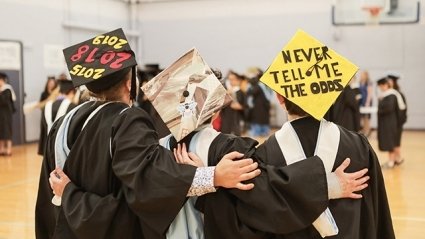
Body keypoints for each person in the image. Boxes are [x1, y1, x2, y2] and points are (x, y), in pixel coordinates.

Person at [35, 28, 260, 239]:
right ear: (129, 83)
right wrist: (213, 176)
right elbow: (151, 178)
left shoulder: (63, 122)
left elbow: (48, 194)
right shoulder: (127, 119)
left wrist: (68, 196)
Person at [37, 79, 77, 155]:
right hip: (64, 152)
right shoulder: (73, 107)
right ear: (72, 92)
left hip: (48, 150)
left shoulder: (47, 106)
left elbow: (43, 130)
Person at [245, 68, 272, 137]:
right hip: (264, 113)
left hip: (257, 115)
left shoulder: (258, 86)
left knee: (256, 137)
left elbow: (250, 93)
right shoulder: (266, 85)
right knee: (265, 138)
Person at [387, 73, 407, 165]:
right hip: (392, 123)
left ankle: (397, 158)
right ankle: (396, 159)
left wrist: (399, 122)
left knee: (396, 141)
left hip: (397, 122)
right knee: (393, 141)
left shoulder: (398, 94)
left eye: (390, 81)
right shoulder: (388, 94)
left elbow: (403, 109)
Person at [220, 71, 245, 136]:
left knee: (236, 137)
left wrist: (240, 107)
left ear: (237, 80)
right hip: (225, 119)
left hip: (236, 119)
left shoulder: (240, 92)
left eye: (233, 79)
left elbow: (246, 106)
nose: (231, 81)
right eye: (229, 79)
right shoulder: (225, 91)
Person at [0, 72, 16, 156]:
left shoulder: (7, 89)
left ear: (2, 80)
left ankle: (9, 149)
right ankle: (2, 149)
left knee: (7, 131)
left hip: (6, 115)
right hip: (1, 115)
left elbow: (4, 101)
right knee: (1, 132)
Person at [359, 70, 373, 136]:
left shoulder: (368, 82)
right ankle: (364, 130)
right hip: (361, 101)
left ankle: (368, 131)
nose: (361, 76)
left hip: (367, 101)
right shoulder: (360, 82)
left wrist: (367, 102)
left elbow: (369, 93)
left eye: (363, 74)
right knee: (362, 117)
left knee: (366, 117)